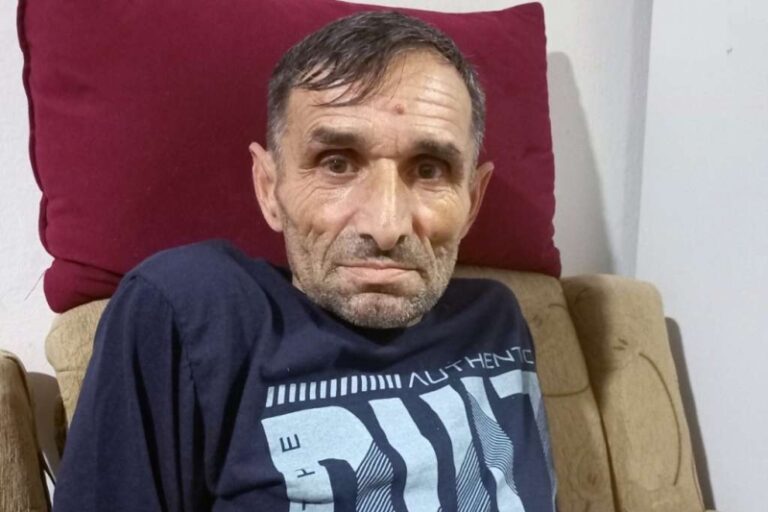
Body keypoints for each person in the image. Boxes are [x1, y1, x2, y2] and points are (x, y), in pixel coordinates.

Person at [54, 11, 556, 512]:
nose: (386, 226)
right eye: (337, 163)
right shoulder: (193, 309)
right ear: (269, 188)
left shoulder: (497, 321)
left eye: (429, 170)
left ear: (473, 200)